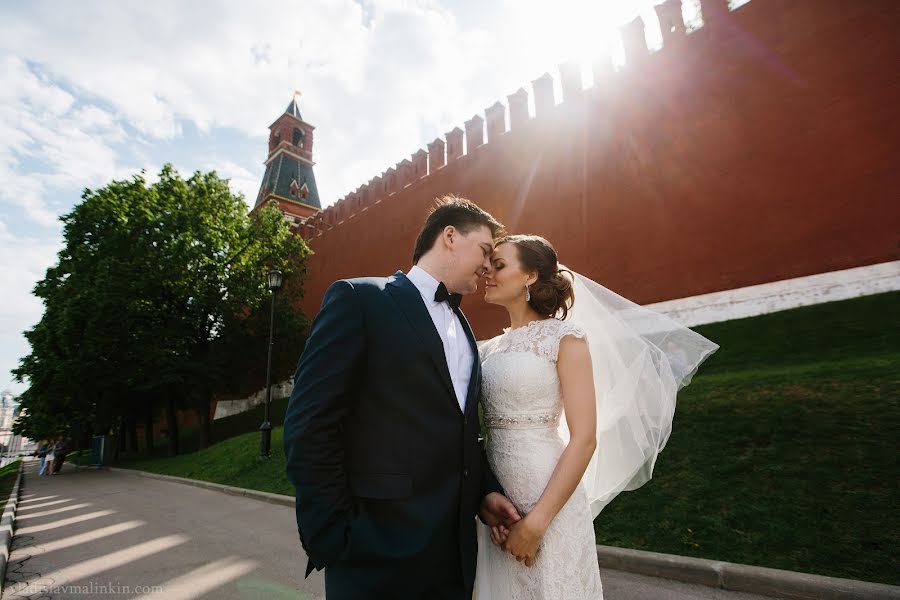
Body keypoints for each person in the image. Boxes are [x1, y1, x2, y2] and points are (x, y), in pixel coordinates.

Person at [284, 196, 522, 599]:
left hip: (453, 556)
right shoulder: (359, 300)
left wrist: (484, 491)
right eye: (484, 250)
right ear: (449, 236)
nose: (488, 265)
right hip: (375, 552)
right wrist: (334, 537)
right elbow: (310, 423)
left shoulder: (463, 328)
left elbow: (459, 426)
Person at [474, 235, 719, 599]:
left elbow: (585, 437)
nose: (487, 274)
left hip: (549, 503)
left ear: (530, 276)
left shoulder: (565, 338)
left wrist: (537, 523)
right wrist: (488, 498)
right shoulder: (491, 349)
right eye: (487, 266)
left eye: (499, 265)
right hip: (500, 510)